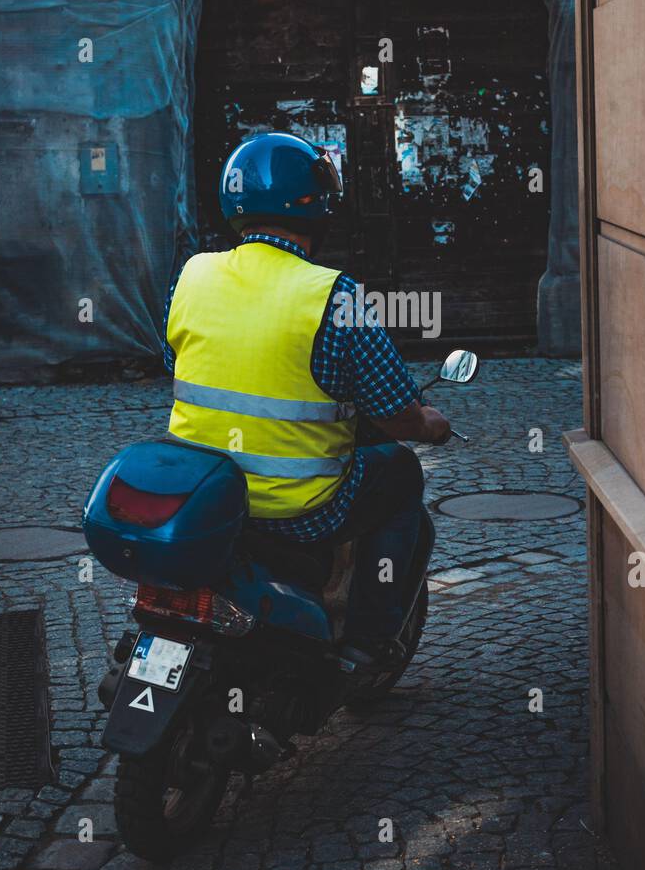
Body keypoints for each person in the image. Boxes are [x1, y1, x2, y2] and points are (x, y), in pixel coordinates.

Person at [163, 131, 451, 664]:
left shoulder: (192, 275)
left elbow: (174, 361)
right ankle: (368, 642)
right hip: (297, 507)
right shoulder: (333, 295)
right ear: (315, 211)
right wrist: (429, 423)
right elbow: (396, 415)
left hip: (206, 498)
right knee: (402, 471)